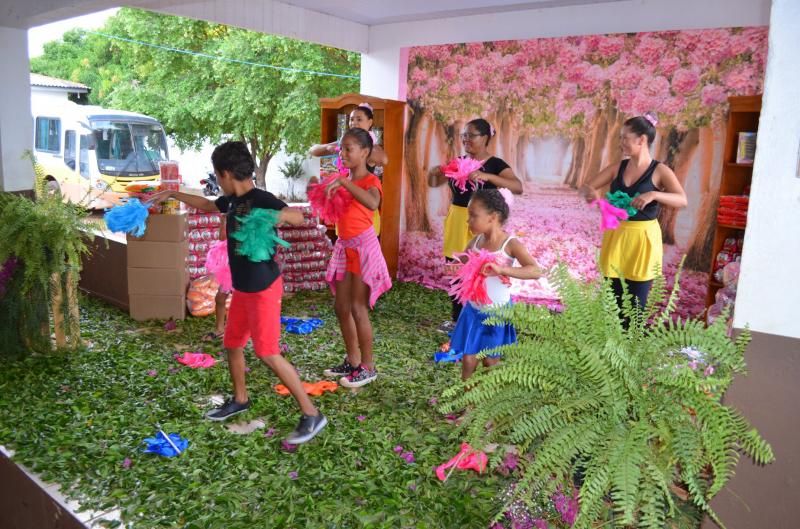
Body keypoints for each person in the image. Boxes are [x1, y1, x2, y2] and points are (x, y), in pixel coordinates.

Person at [151, 141, 326, 445]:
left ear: (227, 173)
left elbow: (297, 216)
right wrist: (172, 193)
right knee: (232, 344)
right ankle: (240, 399)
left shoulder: (261, 199)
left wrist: (279, 218)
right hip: (243, 288)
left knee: (267, 351)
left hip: (263, 289)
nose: (218, 182)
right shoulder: (232, 201)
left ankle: (312, 414)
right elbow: (207, 205)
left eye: (218, 176)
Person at [578, 113, 687, 311]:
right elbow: (586, 188)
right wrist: (591, 194)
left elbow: (682, 199)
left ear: (642, 140)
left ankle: (631, 341)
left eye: (624, 138)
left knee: (636, 307)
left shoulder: (660, 171)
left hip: (642, 241)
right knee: (613, 306)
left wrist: (654, 194)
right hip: (616, 239)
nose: (621, 143)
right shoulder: (617, 168)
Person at [426, 118, 523, 333]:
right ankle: (456, 318)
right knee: (455, 267)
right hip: (457, 220)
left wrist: (486, 175)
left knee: (477, 268)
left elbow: (517, 186)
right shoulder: (458, 161)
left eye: (471, 135)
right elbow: (434, 183)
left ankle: (479, 317)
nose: (466, 140)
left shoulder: (496, 164)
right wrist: (435, 172)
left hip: (482, 225)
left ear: (485, 137)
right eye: (464, 135)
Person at [322, 128, 392, 388]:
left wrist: (345, 183)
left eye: (348, 148)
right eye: (341, 148)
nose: (343, 153)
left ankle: (368, 367)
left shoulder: (371, 182)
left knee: (358, 308)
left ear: (365, 152)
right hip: (344, 247)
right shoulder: (342, 180)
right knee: (341, 307)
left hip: (363, 249)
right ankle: (353, 361)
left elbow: (373, 204)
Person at [449, 189, 542, 381]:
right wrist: (453, 269)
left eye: (473, 216)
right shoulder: (475, 242)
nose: (468, 221)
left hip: (497, 312)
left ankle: (484, 407)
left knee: (490, 363)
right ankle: (467, 405)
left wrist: (502, 270)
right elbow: (462, 266)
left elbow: (535, 270)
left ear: (492, 217)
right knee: (468, 361)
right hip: (474, 311)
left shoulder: (510, 244)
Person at [309, 102, 387, 235]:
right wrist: (331, 147)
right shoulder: (343, 144)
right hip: (345, 217)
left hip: (364, 221)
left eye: (359, 119)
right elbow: (313, 150)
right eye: (351, 119)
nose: (354, 123)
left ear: (370, 122)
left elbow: (384, 160)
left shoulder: (371, 153)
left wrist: (364, 150)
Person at [203, 215, 230, 342]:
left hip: (247, 266)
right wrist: (224, 220)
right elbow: (222, 238)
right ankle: (219, 329)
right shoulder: (231, 215)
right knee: (220, 298)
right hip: (232, 267)